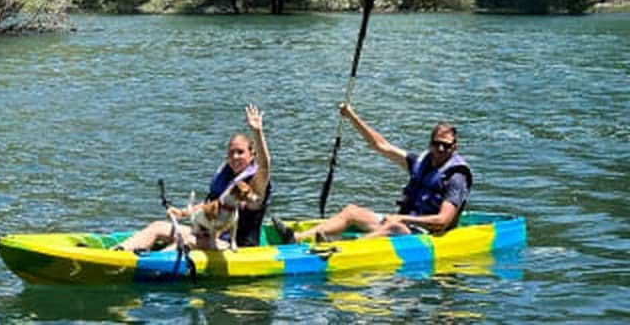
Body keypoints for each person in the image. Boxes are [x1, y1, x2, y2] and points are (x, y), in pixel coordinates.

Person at [276, 102, 471, 243]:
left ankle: (342, 247)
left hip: (426, 235)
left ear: (454, 147)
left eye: (446, 146)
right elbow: (380, 145)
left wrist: (402, 219)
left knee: (392, 226)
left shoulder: (456, 177)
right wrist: (352, 116)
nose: (440, 150)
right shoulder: (420, 162)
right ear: (430, 144)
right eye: (436, 144)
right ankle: (297, 238)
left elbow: (442, 221)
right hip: (404, 224)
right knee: (352, 211)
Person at [116, 104, 271, 251]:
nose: (235, 157)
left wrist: (257, 132)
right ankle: (118, 252)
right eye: (231, 153)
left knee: (187, 241)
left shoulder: (255, 185)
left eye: (240, 152)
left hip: (234, 246)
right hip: (208, 234)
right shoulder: (226, 177)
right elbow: (209, 206)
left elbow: (264, 166)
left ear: (252, 155)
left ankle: (148, 264)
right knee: (158, 226)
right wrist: (183, 213)